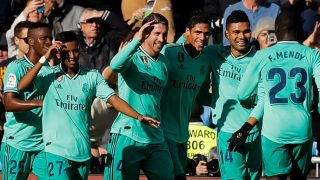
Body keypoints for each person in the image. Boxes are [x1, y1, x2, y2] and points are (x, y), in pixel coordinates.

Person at [18, 30, 160, 179]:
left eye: (75, 51)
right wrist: (44, 58)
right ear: (58, 53)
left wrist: (138, 116)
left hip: (82, 152)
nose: (72, 56)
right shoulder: (48, 75)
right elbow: (22, 87)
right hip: (55, 151)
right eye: (67, 52)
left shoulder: (92, 76)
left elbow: (114, 100)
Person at [233, 10, 320, 179]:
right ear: (298, 30)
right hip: (302, 128)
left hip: (274, 131)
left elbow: (243, 94)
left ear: (277, 29)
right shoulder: (313, 55)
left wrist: (250, 105)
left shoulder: (262, 55)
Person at [104, 13, 174, 180]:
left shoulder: (165, 63)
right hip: (127, 134)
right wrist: (136, 39)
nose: (162, 38)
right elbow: (114, 65)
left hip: (155, 137)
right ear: (146, 32)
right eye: (157, 33)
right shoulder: (132, 56)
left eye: (164, 34)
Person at [204, 10, 261, 179]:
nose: (242, 36)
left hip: (255, 132)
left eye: (245, 31)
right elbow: (191, 42)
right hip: (228, 132)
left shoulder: (259, 59)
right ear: (227, 34)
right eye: (236, 32)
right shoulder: (214, 53)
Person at [160, 10, 211, 179]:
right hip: (163, 131)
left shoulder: (204, 61)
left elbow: (203, 96)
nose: (202, 38)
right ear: (187, 32)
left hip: (184, 133)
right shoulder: (169, 52)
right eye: (198, 32)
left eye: (206, 34)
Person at [0, 22, 52, 180]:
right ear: (31, 41)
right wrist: (41, 103)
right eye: (44, 38)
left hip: (43, 144)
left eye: (51, 37)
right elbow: (9, 104)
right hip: (18, 143)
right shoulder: (15, 67)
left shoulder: (50, 69)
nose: (49, 42)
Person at [77, 8, 130, 73]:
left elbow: (125, 32)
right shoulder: (75, 43)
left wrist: (102, 14)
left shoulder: (108, 39)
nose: (95, 25)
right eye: (90, 21)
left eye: (97, 21)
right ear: (80, 26)